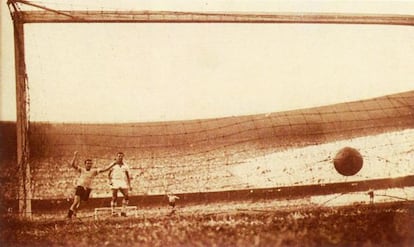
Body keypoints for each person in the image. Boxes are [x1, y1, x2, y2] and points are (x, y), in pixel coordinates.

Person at [67, 151, 116, 219]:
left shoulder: (94, 171)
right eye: (87, 163)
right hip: (80, 187)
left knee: (81, 203)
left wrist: (113, 164)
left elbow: (105, 169)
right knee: (76, 202)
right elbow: (72, 165)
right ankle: (69, 216)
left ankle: (74, 213)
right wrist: (75, 156)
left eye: (90, 163)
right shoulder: (82, 169)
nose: (89, 165)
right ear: (85, 164)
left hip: (88, 188)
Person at [108, 152, 132, 217]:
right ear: (117, 157)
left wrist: (129, 185)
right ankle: (113, 212)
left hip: (122, 181)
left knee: (126, 196)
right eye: (119, 156)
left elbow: (127, 176)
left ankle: (123, 211)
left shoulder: (125, 166)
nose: (120, 157)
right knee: (114, 197)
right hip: (115, 180)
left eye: (121, 156)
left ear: (123, 157)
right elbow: (109, 174)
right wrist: (110, 181)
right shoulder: (113, 165)